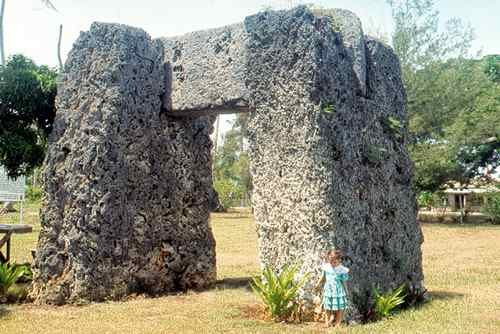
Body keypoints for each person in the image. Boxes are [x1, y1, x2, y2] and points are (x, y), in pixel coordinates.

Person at [315, 249, 350, 327]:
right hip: (328, 290)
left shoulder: (342, 269)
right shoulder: (327, 267)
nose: (332, 263)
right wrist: (318, 284)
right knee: (327, 306)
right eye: (331, 261)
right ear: (328, 259)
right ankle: (327, 322)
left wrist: (346, 291)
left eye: (335, 262)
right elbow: (323, 277)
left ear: (339, 260)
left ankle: (338, 322)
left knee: (340, 307)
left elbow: (344, 282)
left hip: (338, 290)